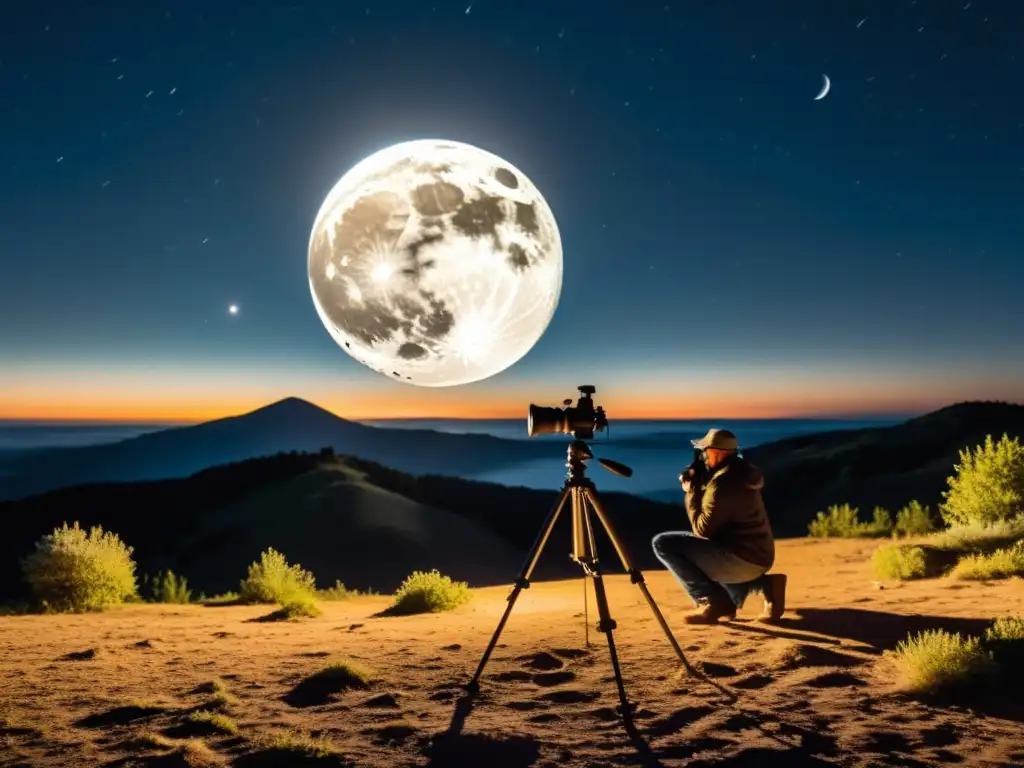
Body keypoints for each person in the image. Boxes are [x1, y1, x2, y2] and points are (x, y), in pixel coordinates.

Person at [651, 428, 786, 625]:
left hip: (741, 559)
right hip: (757, 556)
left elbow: (702, 530)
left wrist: (691, 491)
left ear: (717, 452)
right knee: (702, 548)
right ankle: (765, 584)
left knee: (664, 544)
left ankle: (711, 602)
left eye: (705, 452)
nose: (703, 457)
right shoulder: (740, 472)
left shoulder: (723, 483)